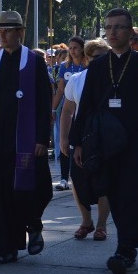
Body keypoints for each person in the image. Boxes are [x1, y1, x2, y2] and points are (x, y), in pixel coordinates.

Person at [70, 8, 138, 274]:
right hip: (106, 144)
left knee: (137, 197)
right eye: (109, 28)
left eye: (118, 28)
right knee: (114, 194)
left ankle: (127, 246)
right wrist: (77, 143)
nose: (112, 33)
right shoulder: (99, 66)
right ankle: (125, 247)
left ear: (131, 32)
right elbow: (85, 106)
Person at [0, 11, 53, 263]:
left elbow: (43, 102)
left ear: (20, 32)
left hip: (24, 140)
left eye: (8, 30)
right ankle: (3, 246)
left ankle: (33, 224)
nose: (3, 35)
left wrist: (41, 138)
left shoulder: (34, 63)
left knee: (27, 190)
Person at [61, 38, 111, 241]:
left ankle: (101, 225)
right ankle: (86, 220)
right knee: (78, 179)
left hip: (106, 137)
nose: (98, 60)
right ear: (87, 58)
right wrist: (64, 138)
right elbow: (67, 111)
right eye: (94, 57)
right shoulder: (77, 79)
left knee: (104, 181)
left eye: (103, 56)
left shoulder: (114, 79)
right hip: (82, 137)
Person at [52, 36, 86, 192]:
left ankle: (81, 175)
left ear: (82, 49)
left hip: (83, 110)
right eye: (70, 48)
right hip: (67, 109)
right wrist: (53, 109)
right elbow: (60, 90)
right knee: (64, 140)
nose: (72, 51)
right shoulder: (64, 67)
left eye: (76, 47)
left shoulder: (88, 66)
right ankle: (64, 178)